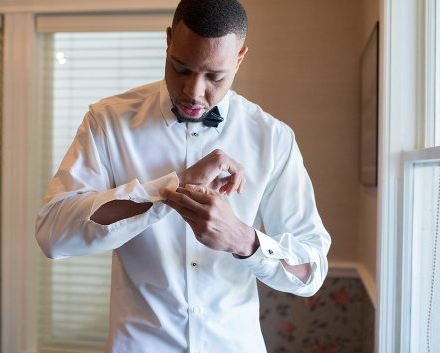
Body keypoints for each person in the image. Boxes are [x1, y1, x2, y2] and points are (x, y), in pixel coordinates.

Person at [34, 0, 331, 352]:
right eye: (181, 68)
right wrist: (170, 189)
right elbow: (53, 234)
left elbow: (311, 272)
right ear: (169, 40)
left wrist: (242, 240)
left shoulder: (273, 139)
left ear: (239, 58)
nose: (193, 91)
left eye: (214, 77)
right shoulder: (108, 121)